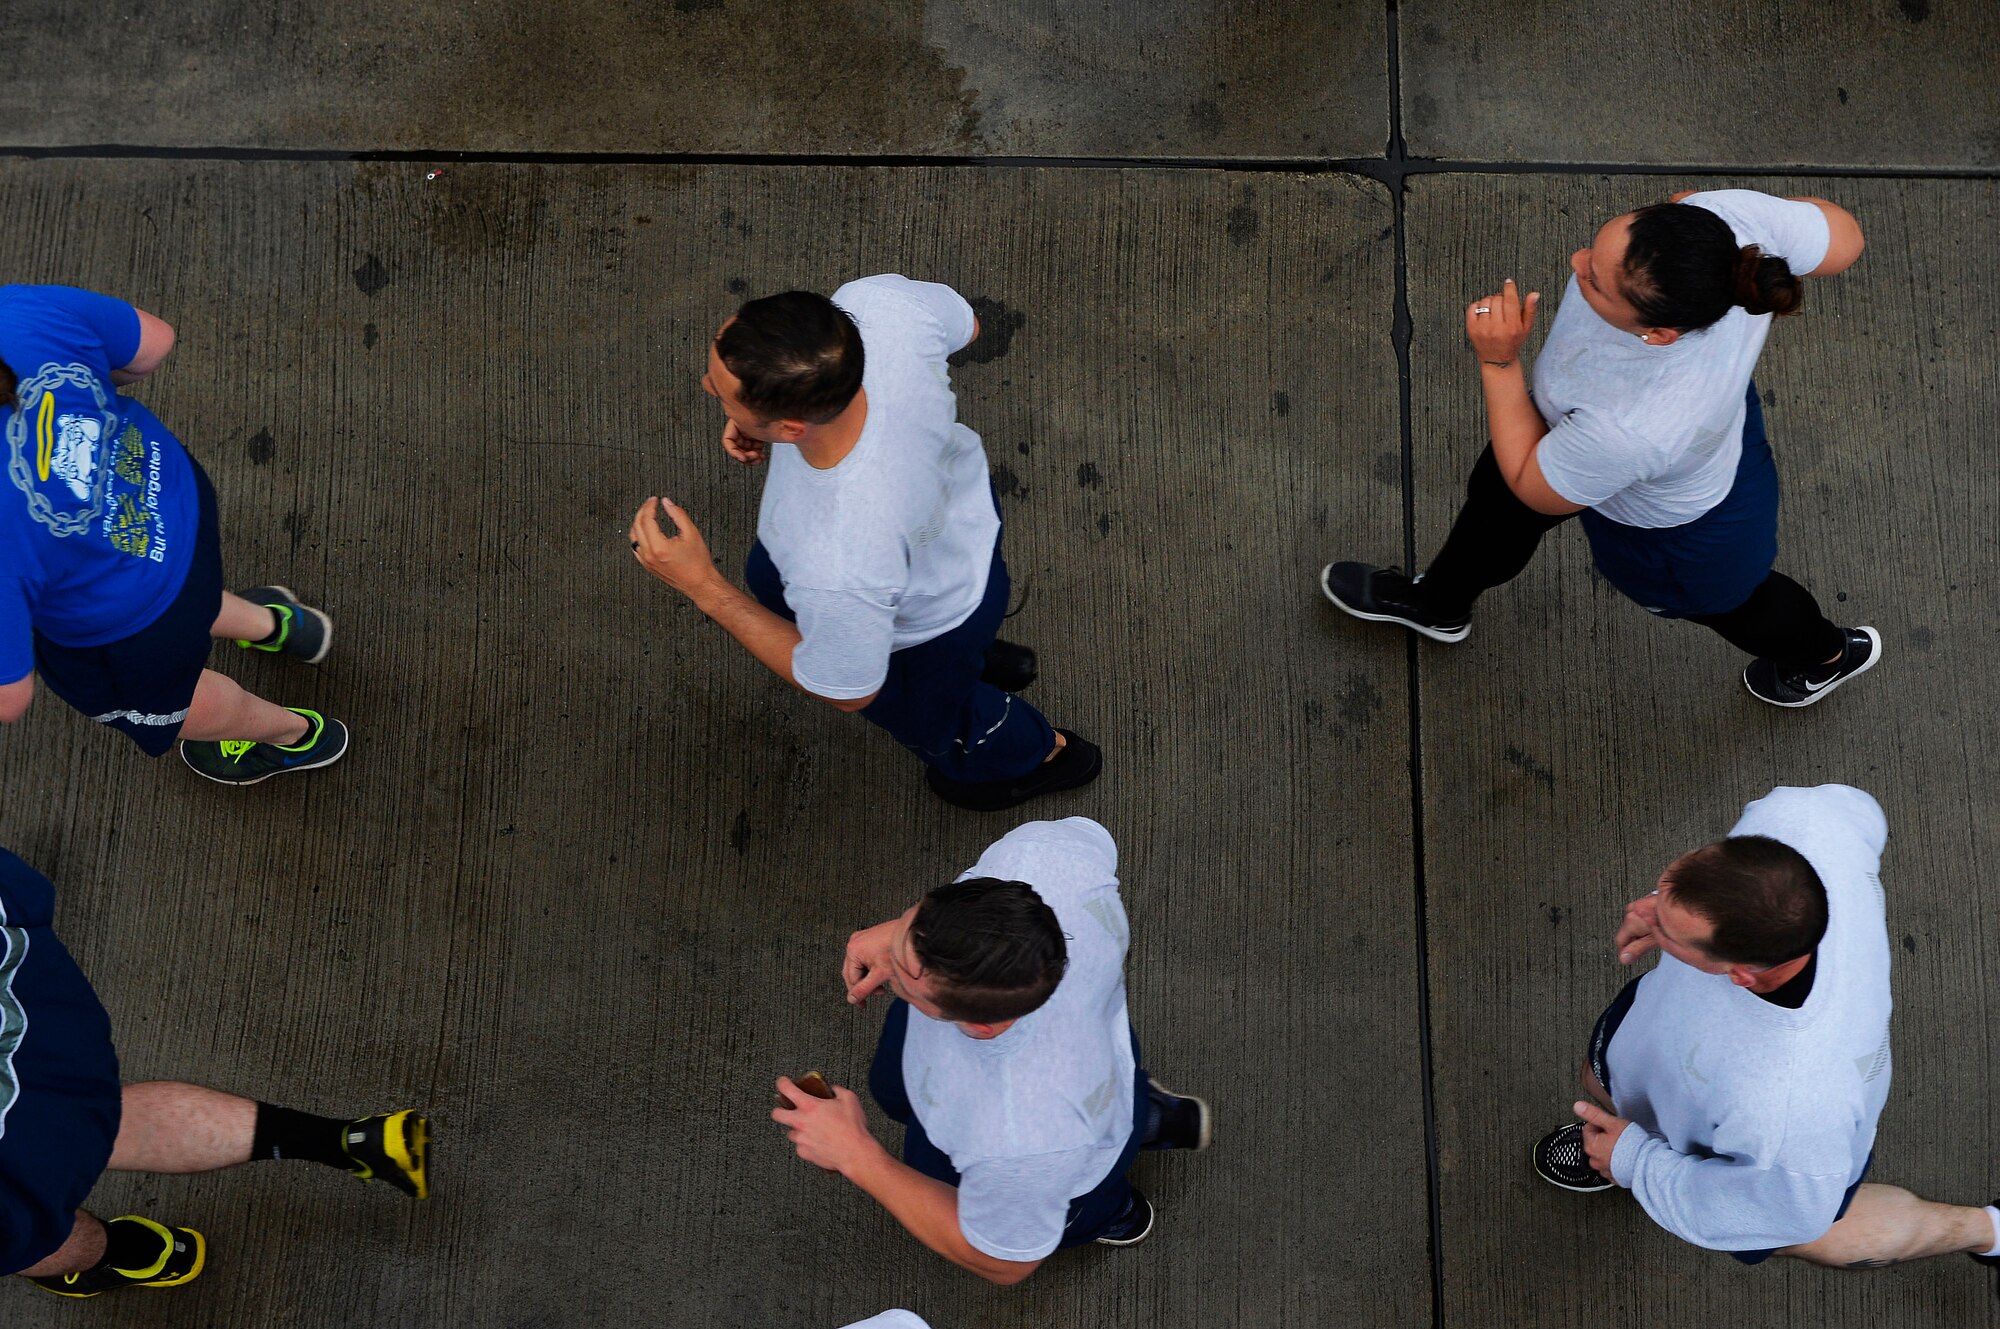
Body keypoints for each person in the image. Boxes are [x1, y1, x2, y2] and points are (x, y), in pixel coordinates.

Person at [1322, 190, 1878, 708]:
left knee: (1731, 600)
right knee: (1494, 507)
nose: (1577, 261)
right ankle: (1438, 604)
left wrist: (1498, 362)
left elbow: (1534, 488)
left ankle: (1825, 655)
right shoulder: (1722, 222)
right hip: (1646, 424)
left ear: (1658, 334)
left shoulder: (1634, 425)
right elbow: (1844, 238)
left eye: (1595, 281)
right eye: (1602, 242)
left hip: (1672, 526)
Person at [628, 276, 1100, 810]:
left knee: (942, 724)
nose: (706, 387)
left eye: (720, 392)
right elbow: (967, 327)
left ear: (791, 427)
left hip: (927, 625)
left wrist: (704, 586)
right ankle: (976, 654)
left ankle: (1041, 754)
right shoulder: (878, 306)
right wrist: (754, 421)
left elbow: (849, 689)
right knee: (774, 580)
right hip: (966, 533)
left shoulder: (834, 560)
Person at [1532, 785, 2000, 1282]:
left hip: (1782, 1180)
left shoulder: (1793, 1110)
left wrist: (1637, 1162)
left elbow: (1788, 1211)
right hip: (1666, 1036)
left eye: (1666, 929)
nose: (1643, 913)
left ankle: (1986, 1230)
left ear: (1741, 974)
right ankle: (1620, 1141)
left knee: (1806, 1231)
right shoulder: (1802, 821)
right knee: (1601, 1078)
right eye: (1668, 883)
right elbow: (1858, 810)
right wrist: (1666, 904)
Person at [770, 818, 1210, 1283]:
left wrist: (857, 1155)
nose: (870, 949)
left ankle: (1111, 1209)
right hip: (1092, 1054)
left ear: (978, 1025)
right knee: (892, 1089)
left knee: (1072, 1194)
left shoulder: (1019, 1139)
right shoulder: (1044, 859)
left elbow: (1006, 1262)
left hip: (1052, 1151)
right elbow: (1090, 836)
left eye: (900, 969)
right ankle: (1139, 1111)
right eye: (914, 924)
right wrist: (897, 939)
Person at [0, 845, 428, 1297]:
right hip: (24, 998)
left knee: (24, 1227)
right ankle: (350, 1140)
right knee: (70, 1114)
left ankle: (129, 1252)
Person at [0, 283, 347, 783]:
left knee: (174, 697)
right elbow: (153, 344)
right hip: (173, 501)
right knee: (169, 582)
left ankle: (293, 735)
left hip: (127, 621)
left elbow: (10, 697)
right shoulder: (16, 310)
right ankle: (281, 626)